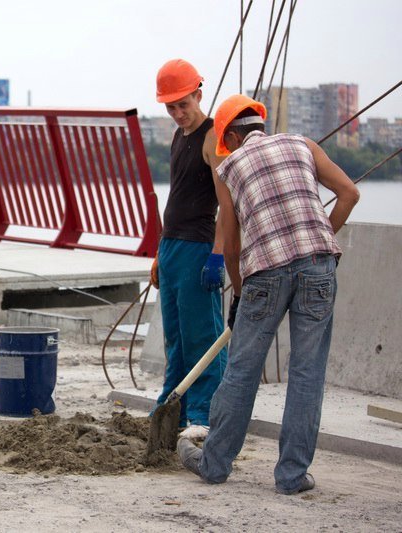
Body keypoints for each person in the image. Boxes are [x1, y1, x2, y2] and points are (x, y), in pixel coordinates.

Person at [178, 94, 360, 495]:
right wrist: (322, 241)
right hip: (318, 266)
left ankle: (214, 464)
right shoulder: (302, 144)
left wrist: (240, 295)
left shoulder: (229, 168)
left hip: (265, 273)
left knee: (242, 371)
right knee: (307, 374)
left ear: (230, 136)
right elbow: (349, 193)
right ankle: (292, 477)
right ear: (258, 124)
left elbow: (231, 240)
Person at [150, 59, 228, 431]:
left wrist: (218, 254)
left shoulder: (214, 137)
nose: (178, 113)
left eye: (183, 103)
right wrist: (158, 253)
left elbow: (227, 204)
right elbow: (176, 197)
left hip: (199, 247)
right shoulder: (178, 137)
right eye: (170, 106)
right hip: (171, 247)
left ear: (199, 93)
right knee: (176, 335)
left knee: (203, 334)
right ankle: (172, 405)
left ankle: (203, 413)